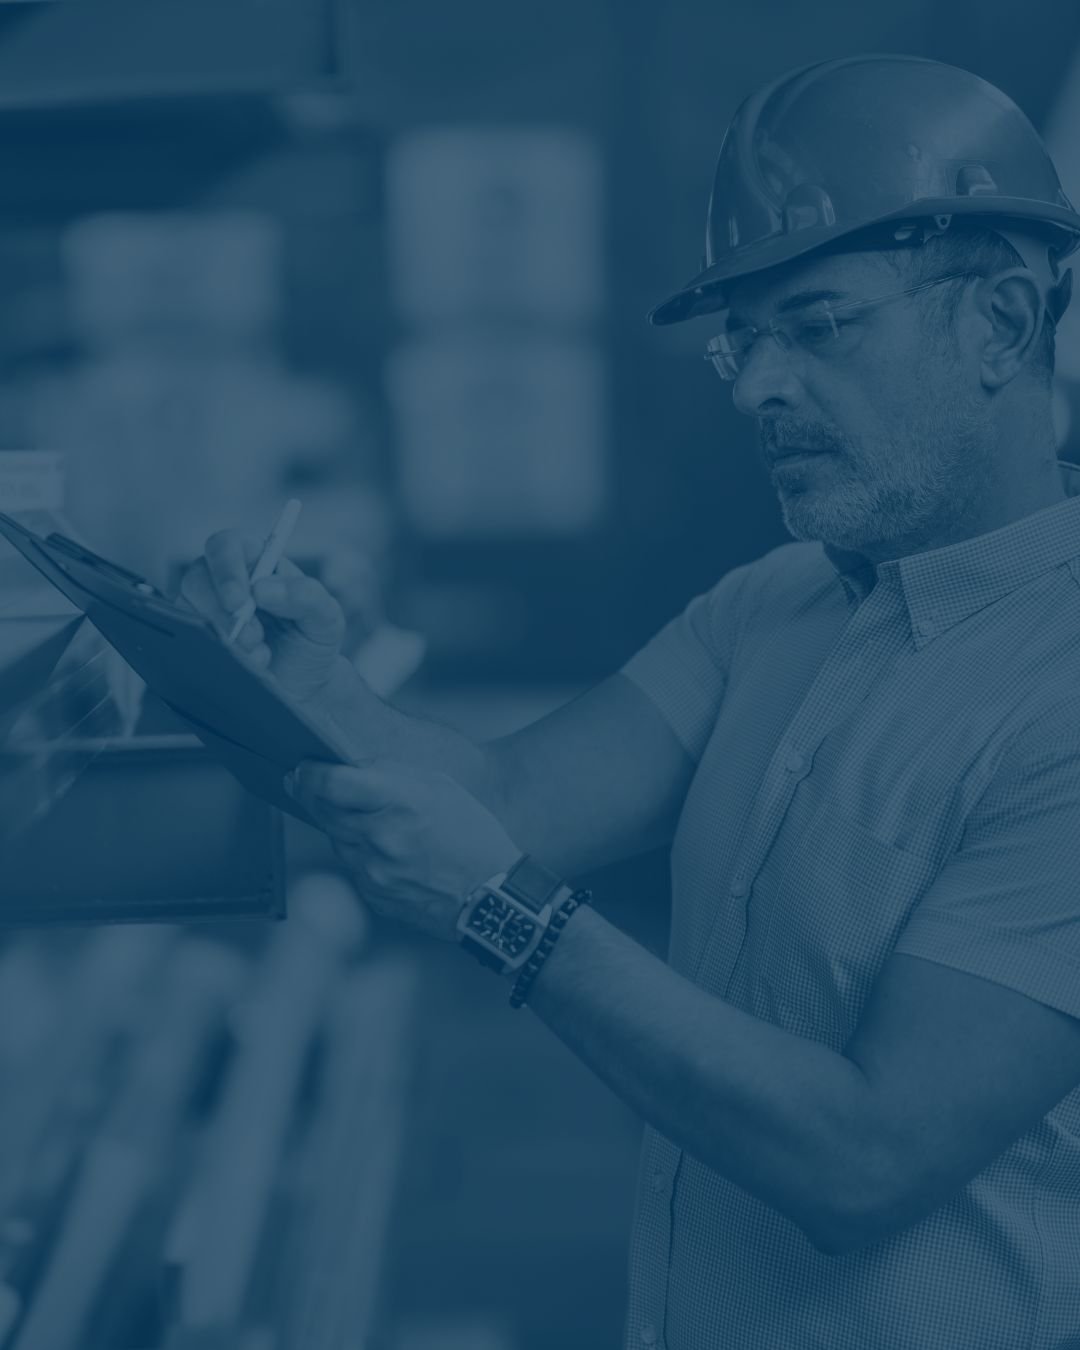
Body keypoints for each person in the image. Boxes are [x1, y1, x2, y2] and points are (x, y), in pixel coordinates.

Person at [180, 54, 1080, 1350]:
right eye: (744, 343)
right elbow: (510, 801)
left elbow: (866, 1155)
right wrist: (296, 678)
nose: (763, 387)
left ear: (999, 323)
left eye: (819, 326)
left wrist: (510, 919)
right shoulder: (773, 606)